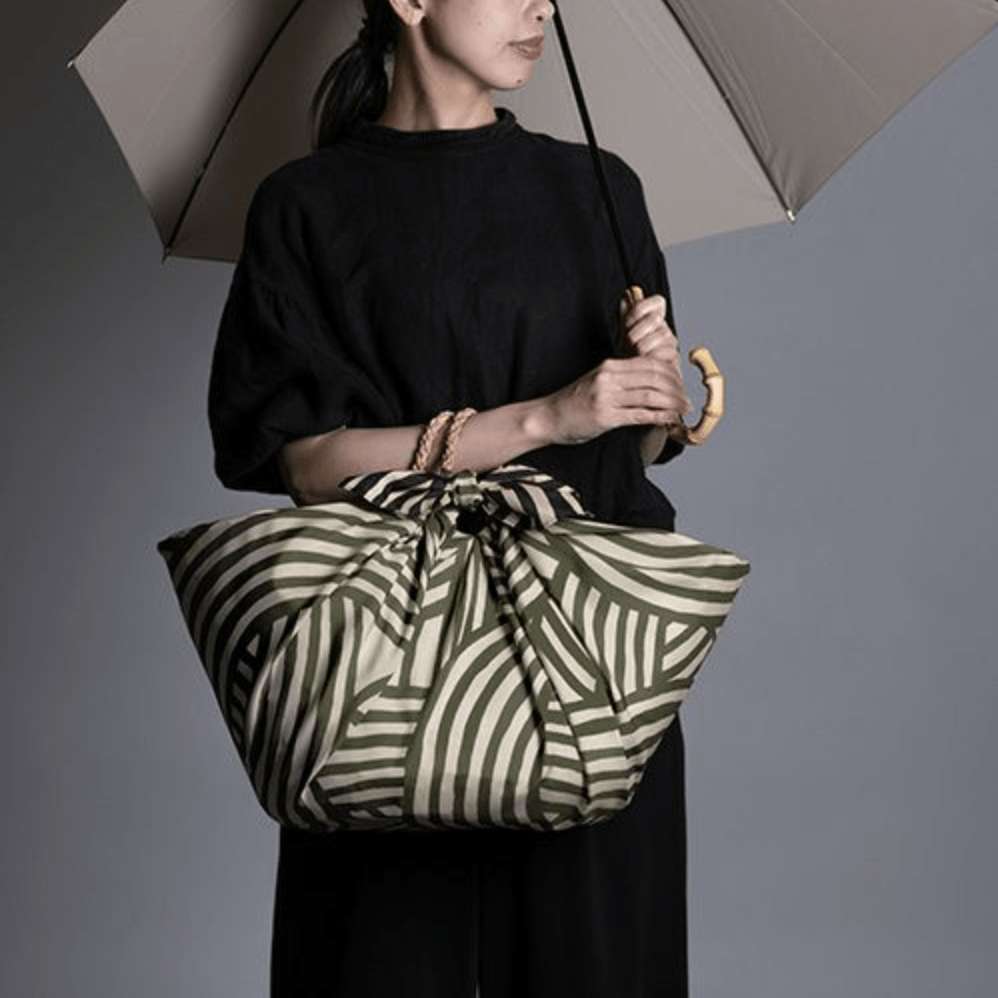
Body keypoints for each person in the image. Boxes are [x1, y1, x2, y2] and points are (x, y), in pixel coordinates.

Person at [208, 0, 695, 994]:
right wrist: (546, 417)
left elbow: (633, 450)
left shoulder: (601, 188)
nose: (542, 6)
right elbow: (304, 462)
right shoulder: (306, 205)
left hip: (588, 666)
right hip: (381, 669)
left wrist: (655, 398)